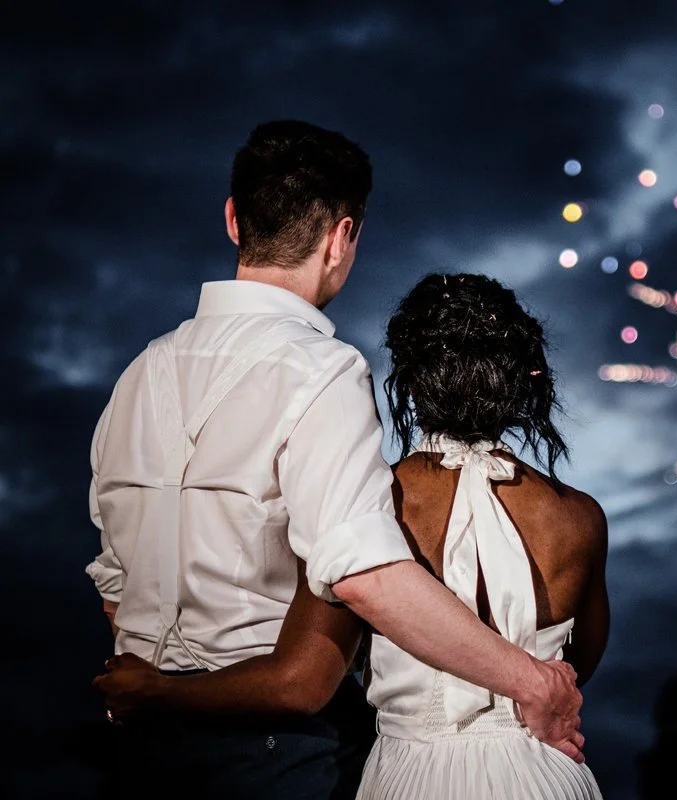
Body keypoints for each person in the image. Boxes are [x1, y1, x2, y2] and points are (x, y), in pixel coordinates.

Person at [87, 121, 582, 799]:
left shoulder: (137, 377)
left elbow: (116, 579)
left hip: (143, 753)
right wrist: (533, 681)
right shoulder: (320, 370)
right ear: (341, 237)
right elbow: (361, 574)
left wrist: (163, 686)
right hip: (268, 754)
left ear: (234, 220)